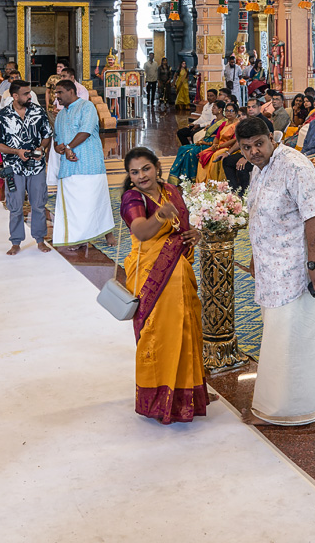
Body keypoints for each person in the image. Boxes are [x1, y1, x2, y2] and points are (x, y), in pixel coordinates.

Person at [237, 116, 315, 426]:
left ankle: (286, 410)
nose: (254, 151)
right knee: (283, 334)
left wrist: (314, 264)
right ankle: (303, 399)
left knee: (291, 336)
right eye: (246, 147)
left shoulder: (295, 165)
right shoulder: (261, 167)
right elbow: (260, 214)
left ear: (272, 138)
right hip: (271, 267)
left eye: (259, 144)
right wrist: (256, 255)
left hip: (296, 268)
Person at [117, 147, 209, 424]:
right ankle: (158, 401)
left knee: (186, 329)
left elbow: (183, 225)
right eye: (135, 172)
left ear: (157, 166)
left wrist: (194, 233)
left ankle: (187, 395)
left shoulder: (171, 191)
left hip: (179, 271)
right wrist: (160, 215)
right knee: (159, 335)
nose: (141, 175)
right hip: (151, 273)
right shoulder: (132, 197)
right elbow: (141, 231)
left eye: (146, 168)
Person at [0, 80, 53, 255]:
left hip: (36, 166)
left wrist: (41, 148)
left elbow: (47, 135)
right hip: (13, 167)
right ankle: (16, 241)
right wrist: (16, 151)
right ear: (15, 96)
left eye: (30, 92)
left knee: (39, 204)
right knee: (15, 205)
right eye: (26, 94)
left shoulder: (38, 112)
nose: (29, 96)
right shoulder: (3, 116)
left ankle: (40, 240)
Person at [52, 79, 114, 249]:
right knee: (76, 205)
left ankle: (108, 233)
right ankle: (80, 238)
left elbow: (85, 131)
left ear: (71, 92)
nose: (57, 96)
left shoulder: (87, 107)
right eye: (56, 93)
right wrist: (60, 148)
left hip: (89, 163)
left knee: (96, 199)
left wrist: (69, 147)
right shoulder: (61, 115)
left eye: (60, 92)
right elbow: (57, 140)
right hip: (69, 166)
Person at [195, 102, 241, 183]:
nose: (229, 113)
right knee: (203, 154)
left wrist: (219, 146)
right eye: (227, 111)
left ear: (236, 113)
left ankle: (214, 184)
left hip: (230, 148)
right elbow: (217, 137)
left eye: (231, 111)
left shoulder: (237, 125)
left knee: (216, 155)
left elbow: (233, 140)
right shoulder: (224, 123)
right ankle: (203, 182)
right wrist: (215, 144)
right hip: (219, 146)